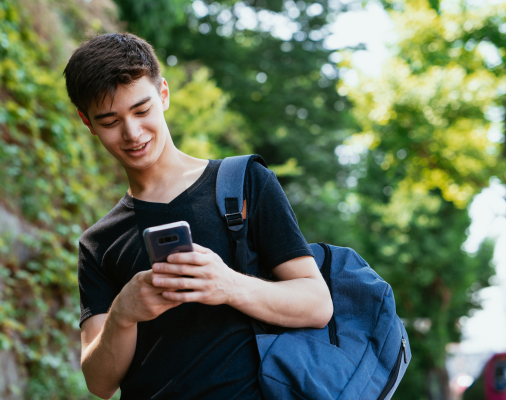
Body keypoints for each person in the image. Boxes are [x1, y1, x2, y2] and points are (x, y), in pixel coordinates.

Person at [64, 32, 333, 400]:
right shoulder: (98, 242)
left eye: (142, 110)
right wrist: (123, 315)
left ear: (164, 95)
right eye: (110, 121)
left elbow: (317, 303)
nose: (132, 132)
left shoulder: (244, 184)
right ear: (87, 122)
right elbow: (99, 383)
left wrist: (228, 285)